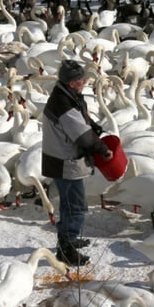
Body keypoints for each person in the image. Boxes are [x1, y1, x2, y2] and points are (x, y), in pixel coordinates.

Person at [41, 59, 112, 266]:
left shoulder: (66, 95)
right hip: (66, 161)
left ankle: (68, 238)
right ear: (72, 83)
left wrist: (95, 127)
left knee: (68, 203)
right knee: (76, 206)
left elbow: (82, 121)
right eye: (81, 79)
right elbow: (81, 135)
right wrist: (102, 149)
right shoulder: (63, 104)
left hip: (60, 157)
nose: (85, 81)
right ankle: (67, 249)